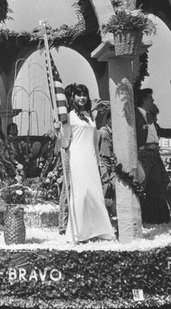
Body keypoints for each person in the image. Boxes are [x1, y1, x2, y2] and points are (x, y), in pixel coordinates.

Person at [55, 83, 115, 243]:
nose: (82, 98)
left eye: (84, 95)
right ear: (73, 97)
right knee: (80, 193)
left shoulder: (90, 116)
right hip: (77, 157)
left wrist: (98, 160)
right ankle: (78, 232)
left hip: (90, 157)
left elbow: (94, 141)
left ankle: (100, 230)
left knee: (94, 192)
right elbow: (64, 142)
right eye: (78, 95)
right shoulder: (68, 116)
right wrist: (58, 130)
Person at [135, 88, 171, 224]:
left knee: (167, 185)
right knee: (138, 187)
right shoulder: (135, 115)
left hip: (155, 154)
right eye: (150, 98)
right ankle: (134, 220)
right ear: (144, 99)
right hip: (142, 155)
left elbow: (161, 131)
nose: (153, 101)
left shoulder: (149, 116)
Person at [98, 110, 116, 217]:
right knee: (105, 184)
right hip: (103, 159)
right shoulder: (103, 131)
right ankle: (102, 209)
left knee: (112, 185)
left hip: (112, 161)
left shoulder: (114, 133)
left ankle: (110, 208)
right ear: (108, 120)